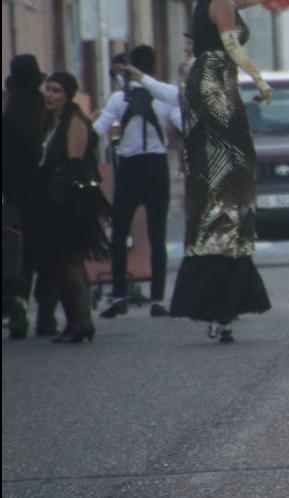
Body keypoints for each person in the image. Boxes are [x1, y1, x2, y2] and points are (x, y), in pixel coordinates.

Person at [169, 0, 289, 343]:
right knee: (230, 170)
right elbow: (232, 46)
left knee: (221, 171)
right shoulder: (221, 7)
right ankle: (223, 239)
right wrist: (260, 81)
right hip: (216, 84)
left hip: (208, 83)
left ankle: (219, 286)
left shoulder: (215, 3)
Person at [94, 45, 182, 318]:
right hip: (156, 166)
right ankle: (158, 299)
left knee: (119, 233)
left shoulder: (119, 99)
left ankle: (119, 295)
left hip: (129, 167)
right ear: (154, 67)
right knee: (157, 233)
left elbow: (98, 130)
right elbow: (184, 124)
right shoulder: (165, 98)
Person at [39, 71, 110, 344]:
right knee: (58, 263)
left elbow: (74, 165)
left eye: (56, 91)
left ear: (67, 95)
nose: (50, 95)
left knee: (71, 261)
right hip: (53, 200)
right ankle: (72, 321)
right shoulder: (52, 123)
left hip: (71, 201)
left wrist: (61, 197)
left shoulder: (74, 121)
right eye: (48, 90)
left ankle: (83, 321)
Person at [2, 54, 58, 338]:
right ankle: (46, 314)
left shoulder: (7, 113)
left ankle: (18, 308)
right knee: (46, 252)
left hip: (13, 194)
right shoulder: (44, 109)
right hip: (44, 190)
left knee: (17, 254)